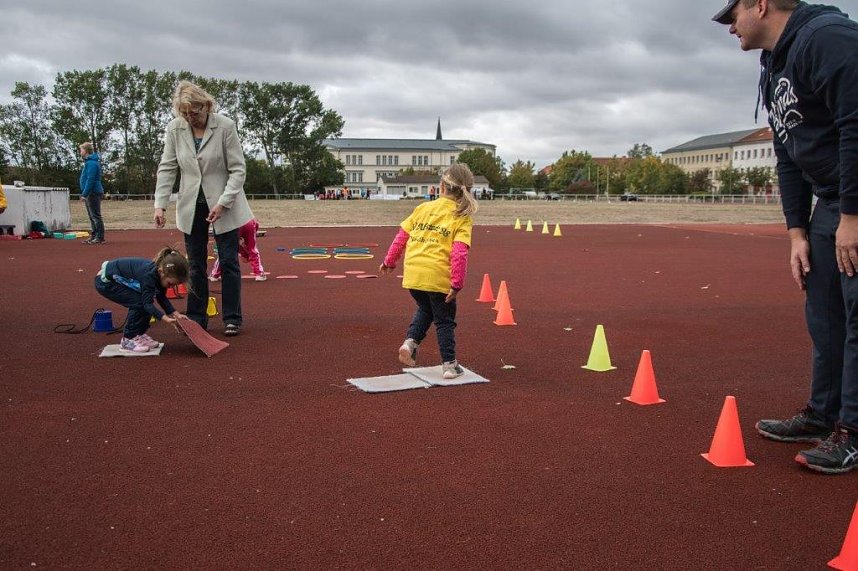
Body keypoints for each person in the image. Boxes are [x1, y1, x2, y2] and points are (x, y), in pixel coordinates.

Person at [713, 0, 858, 474]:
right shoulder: (773, 63)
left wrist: (852, 218)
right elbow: (788, 151)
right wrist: (798, 231)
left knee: (857, 317)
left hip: (853, 201)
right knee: (825, 315)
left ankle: (853, 432)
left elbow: (856, 127)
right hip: (829, 202)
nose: (730, 26)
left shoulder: (828, 38)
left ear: (760, 3)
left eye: (732, 14)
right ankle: (824, 414)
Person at [153, 80, 253, 337]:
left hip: (224, 203)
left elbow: (238, 169)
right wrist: (160, 204)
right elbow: (167, 167)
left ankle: (232, 317)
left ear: (206, 106)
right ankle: (197, 316)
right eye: (184, 113)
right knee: (195, 264)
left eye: (195, 112)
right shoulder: (175, 129)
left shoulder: (225, 126)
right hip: (191, 204)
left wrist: (223, 202)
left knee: (229, 261)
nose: (190, 118)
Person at [379, 163, 477, 379]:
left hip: (413, 275)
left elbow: (401, 237)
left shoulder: (422, 208)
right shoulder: (461, 217)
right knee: (444, 320)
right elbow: (459, 253)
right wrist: (456, 284)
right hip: (437, 276)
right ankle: (450, 365)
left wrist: (389, 261)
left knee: (426, 310)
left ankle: (410, 342)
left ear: (441, 187)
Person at [94, 247, 190, 353]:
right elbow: (147, 304)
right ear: (161, 272)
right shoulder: (149, 276)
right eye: (170, 284)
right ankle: (128, 339)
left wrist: (176, 314)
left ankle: (138, 334)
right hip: (106, 282)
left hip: (114, 279)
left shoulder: (161, 275)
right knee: (140, 303)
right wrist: (165, 319)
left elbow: (161, 297)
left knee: (145, 301)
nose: (171, 287)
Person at [79, 142, 105, 244]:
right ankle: (94, 235)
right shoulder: (89, 163)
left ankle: (99, 236)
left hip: (93, 192)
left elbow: (91, 180)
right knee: (91, 216)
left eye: (81, 150)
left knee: (95, 215)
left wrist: (84, 194)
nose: (80, 152)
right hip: (90, 192)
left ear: (85, 151)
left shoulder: (92, 163)